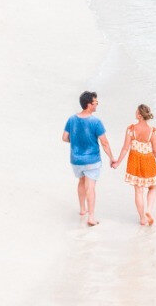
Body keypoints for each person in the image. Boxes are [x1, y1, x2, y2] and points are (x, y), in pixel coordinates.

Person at [62, 91, 112, 226]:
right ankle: (91, 217)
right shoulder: (96, 122)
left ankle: (82, 210)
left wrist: (77, 142)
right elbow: (105, 143)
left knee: (81, 182)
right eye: (95, 102)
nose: (97, 105)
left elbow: (65, 138)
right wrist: (112, 158)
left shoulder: (72, 119)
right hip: (92, 160)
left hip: (76, 160)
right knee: (90, 187)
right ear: (89, 104)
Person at [113, 104, 156, 226]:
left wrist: (118, 162)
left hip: (135, 161)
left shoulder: (131, 129)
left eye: (136, 112)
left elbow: (125, 148)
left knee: (138, 190)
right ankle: (149, 210)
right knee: (152, 187)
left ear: (139, 115)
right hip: (148, 160)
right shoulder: (153, 131)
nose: (135, 113)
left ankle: (142, 218)